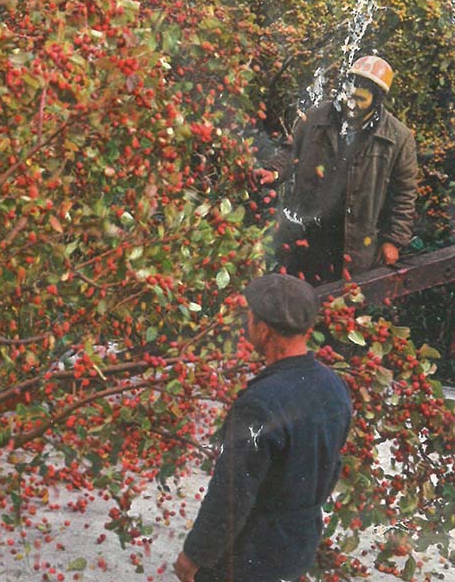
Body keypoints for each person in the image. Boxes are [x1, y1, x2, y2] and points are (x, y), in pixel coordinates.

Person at [173, 274, 352, 582]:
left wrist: (195, 555)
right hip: (299, 543)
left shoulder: (259, 405)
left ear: (264, 331)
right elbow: (332, 467)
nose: (247, 324)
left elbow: (231, 493)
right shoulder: (333, 387)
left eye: (251, 318)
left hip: (250, 555)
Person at [262, 55, 417, 284]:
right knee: (298, 295)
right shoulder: (316, 117)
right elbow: (290, 151)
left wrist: (393, 241)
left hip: (353, 238)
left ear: (377, 100)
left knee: (341, 305)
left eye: (360, 99)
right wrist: (273, 172)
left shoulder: (398, 138)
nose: (350, 103)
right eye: (348, 94)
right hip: (309, 230)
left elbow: (404, 194)